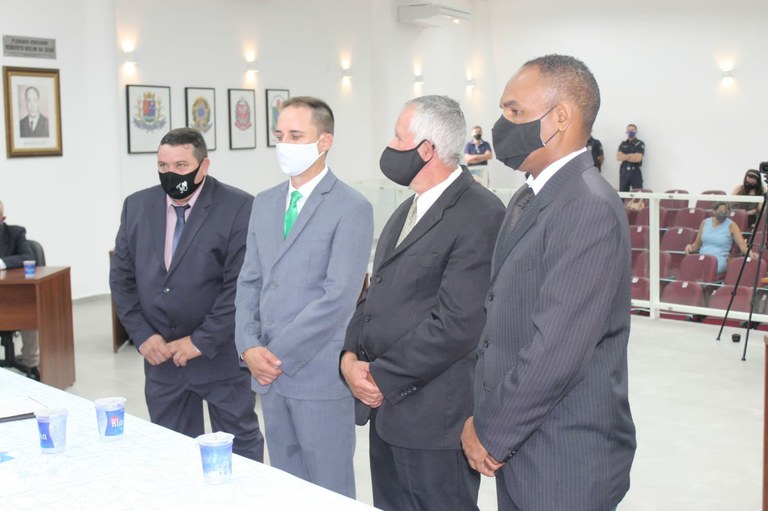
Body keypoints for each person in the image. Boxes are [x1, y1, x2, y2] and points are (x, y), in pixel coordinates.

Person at [461, 55, 637, 511]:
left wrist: (491, 431)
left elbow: (556, 350)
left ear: (561, 116)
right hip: (524, 446)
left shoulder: (587, 205)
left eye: (515, 111)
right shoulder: (530, 195)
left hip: (564, 457)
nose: (502, 125)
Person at [341, 95, 505, 511]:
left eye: (399, 138)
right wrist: (349, 356)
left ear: (427, 149)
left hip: (434, 420)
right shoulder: (407, 210)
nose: (390, 146)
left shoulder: (480, 213)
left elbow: (458, 323)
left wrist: (380, 377)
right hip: (387, 415)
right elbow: (375, 293)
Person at [235, 96, 373, 497]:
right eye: (279, 135)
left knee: (328, 489)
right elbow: (249, 281)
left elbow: (339, 297)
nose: (284, 144)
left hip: (316, 373)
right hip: (268, 376)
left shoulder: (351, 207)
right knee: (286, 486)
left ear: (324, 141)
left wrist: (273, 356)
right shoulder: (264, 203)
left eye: (296, 135)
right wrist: (248, 346)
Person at [110, 127, 263, 461]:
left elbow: (239, 284)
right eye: (163, 166)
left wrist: (200, 341)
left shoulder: (238, 206)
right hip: (162, 357)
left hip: (219, 355)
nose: (171, 174)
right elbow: (121, 279)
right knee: (172, 453)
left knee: (239, 447)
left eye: (181, 166)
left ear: (203, 166)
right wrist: (142, 335)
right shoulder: (136, 206)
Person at [0, 199, 39, 379]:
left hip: (15, 298)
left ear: (3, 218)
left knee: (30, 312)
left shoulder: (16, 233)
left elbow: (28, 256)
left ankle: (31, 366)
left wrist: (2, 263)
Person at [685, 202, 755, 274]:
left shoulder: (732, 226)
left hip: (719, 260)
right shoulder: (705, 223)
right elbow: (696, 245)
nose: (723, 213)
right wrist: (690, 247)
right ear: (714, 211)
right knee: (689, 268)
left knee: (706, 269)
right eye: (721, 211)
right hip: (702, 257)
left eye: (725, 212)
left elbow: (743, 246)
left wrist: (751, 254)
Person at [617, 123, 645, 191]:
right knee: (623, 194)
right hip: (624, 172)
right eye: (629, 130)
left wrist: (625, 156)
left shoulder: (640, 143)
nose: (630, 131)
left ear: (636, 131)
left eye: (632, 130)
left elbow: (638, 158)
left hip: (635, 172)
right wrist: (632, 155)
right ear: (626, 132)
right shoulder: (623, 144)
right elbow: (619, 157)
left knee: (638, 194)